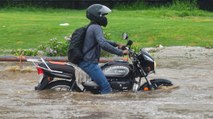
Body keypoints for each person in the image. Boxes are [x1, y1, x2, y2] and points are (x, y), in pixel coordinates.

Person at [78, 4, 129, 94]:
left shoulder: (92, 26)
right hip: (89, 63)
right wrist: (120, 52)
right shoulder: (96, 27)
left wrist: (116, 44)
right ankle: (103, 107)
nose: (105, 18)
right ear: (97, 15)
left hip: (87, 62)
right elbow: (103, 44)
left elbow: (102, 40)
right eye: (103, 15)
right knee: (106, 87)